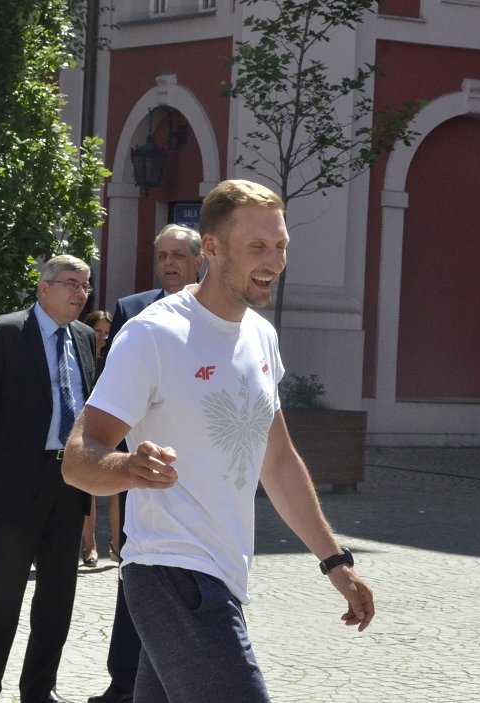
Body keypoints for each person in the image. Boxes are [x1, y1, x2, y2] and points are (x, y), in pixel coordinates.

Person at [62, 180, 374, 703]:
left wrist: (335, 562)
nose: (274, 261)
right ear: (211, 248)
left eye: (280, 246)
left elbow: (276, 461)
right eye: (257, 247)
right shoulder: (152, 335)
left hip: (224, 574)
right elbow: (78, 458)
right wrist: (128, 469)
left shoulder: (262, 336)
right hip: (169, 572)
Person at [0, 254, 97, 703]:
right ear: (44, 287)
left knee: (57, 598)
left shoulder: (82, 337)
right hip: (17, 481)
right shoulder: (5, 331)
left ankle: (40, 689)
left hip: (70, 481)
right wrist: (1, 460)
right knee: (0, 597)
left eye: (85, 285)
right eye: (71, 284)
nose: (80, 293)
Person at [87, 223, 203, 703]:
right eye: (163, 255)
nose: (170, 262)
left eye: (179, 254)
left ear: (201, 260)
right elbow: (109, 388)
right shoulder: (134, 309)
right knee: (136, 565)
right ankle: (124, 680)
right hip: (145, 461)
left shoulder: (216, 313)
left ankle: (181, 679)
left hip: (197, 463)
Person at [78, 310, 112, 569]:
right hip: (85, 425)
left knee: (118, 491)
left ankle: (117, 546)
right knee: (86, 489)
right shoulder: (82, 354)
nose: (102, 336)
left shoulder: (114, 357)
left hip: (113, 426)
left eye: (105, 331)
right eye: (98, 331)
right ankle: (90, 546)